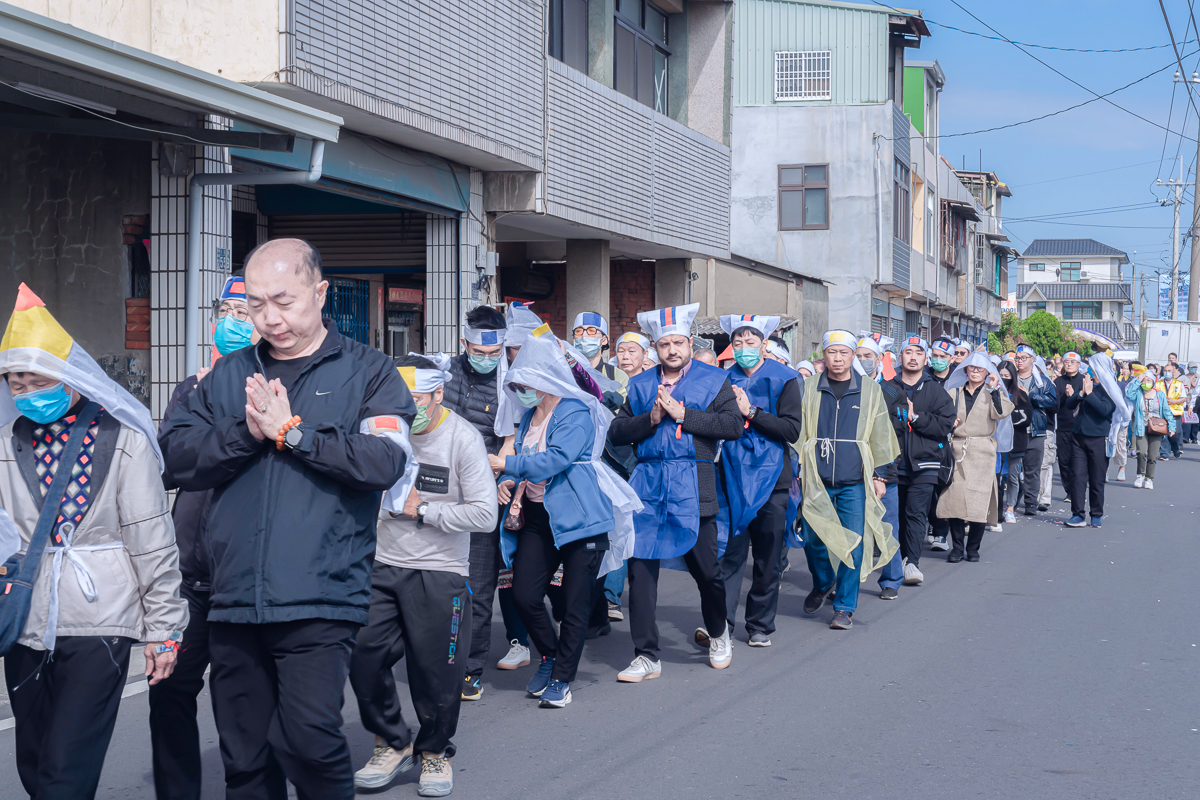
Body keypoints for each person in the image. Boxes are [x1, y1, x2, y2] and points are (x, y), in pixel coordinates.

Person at [158, 239, 416, 800]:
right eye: (256, 305)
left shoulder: (370, 371)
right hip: (231, 598)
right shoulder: (228, 377)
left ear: (320, 293)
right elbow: (174, 457)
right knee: (244, 757)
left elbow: (384, 461)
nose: (270, 318)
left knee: (307, 741)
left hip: (320, 595)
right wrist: (245, 432)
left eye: (284, 301)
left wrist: (291, 434)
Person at [0, 284, 188, 800]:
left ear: (73, 378)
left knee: (67, 766)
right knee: (34, 761)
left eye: (39, 380)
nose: (28, 392)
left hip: (102, 617)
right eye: (18, 383)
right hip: (25, 618)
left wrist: (165, 630)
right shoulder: (5, 442)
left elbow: (152, 538)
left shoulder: (122, 440)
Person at [350, 355, 496, 796]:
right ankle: (391, 742)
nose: (406, 413)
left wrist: (425, 510)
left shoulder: (462, 438)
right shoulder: (379, 429)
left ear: (438, 395)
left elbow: (485, 514)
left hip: (439, 571)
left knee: (437, 672)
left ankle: (433, 753)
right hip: (381, 563)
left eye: (415, 403)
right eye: (398, 403)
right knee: (361, 657)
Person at [150, 275, 259, 800]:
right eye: (228, 309)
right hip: (188, 577)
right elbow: (170, 467)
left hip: (246, 582)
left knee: (241, 708)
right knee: (169, 694)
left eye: (246, 310)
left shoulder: (276, 390)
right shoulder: (190, 388)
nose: (235, 320)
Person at [494, 324, 638, 704]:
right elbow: (529, 460)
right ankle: (551, 654)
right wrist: (513, 483)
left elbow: (554, 460)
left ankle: (561, 678)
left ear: (545, 378)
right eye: (515, 383)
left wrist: (506, 465)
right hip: (539, 519)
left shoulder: (574, 410)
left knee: (574, 604)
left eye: (524, 382)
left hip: (581, 518)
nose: (519, 390)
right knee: (524, 594)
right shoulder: (529, 416)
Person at [609, 303, 744, 679]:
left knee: (706, 569)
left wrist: (686, 416)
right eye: (665, 344)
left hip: (694, 481)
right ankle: (647, 654)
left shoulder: (712, 380)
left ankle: (719, 632)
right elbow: (616, 433)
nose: (672, 350)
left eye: (679, 343)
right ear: (654, 347)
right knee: (641, 568)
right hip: (649, 483)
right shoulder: (638, 385)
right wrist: (649, 420)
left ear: (689, 343)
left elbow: (733, 426)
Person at [442, 305, 526, 701]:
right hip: (437, 492)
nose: (488, 359)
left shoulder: (510, 384)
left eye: (495, 353)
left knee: (476, 587)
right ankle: (435, 659)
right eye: (480, 351)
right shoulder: (442, 372)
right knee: (435, 585)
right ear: (465, 343)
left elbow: (511, 442)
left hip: (482, 495)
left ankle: (470, 669)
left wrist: (500, 480)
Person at [798, 331, 898, 630]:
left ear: (853, 356)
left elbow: (881, 432)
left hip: (854, 479)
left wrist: (881, 474)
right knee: (813, 540)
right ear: (823, 356)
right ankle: (824, 581)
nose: (838, 358)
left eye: (844, 353)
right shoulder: (808, 387)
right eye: (832, 352)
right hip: (816, 478)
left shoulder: (868, 390)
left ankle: (844, 607)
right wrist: (798, 466)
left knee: (854, 544)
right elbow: (799, 428)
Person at [714, 315, 802, 647]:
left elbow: (791, 430)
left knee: (767, 556)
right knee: (729, 553)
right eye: (737, 343)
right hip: (731, 478)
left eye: (750, 343)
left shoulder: (786, 378)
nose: (743, 349)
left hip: (772, 480)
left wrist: (751, 412)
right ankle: (720, 623)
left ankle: (760, 624)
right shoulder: (721, 379)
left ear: (764, 345)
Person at [885, 337, 956, 585]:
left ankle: (911, 563)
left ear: (926, 359)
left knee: (916, 514)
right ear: (899, 357)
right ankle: (896, 560)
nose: (913, 357)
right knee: (895, 516)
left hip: (924, 464)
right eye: (908, 352)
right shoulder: (888, 388)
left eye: (918, 353)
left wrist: (916, 417)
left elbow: (944, 426)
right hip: (893, 464)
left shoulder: (937, 392)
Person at [937, 352, 1014, 562]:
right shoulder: (954, 392)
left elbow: (1002, 412)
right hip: (958, 448)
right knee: (955, 500)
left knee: (978, 501)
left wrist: (995, 389)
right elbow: (942, 414)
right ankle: (956, 547)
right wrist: (949, 424)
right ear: (965, 370)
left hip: (982, 450)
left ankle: (973, 548)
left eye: (980, 369)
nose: (976, 372)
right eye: (972, 368)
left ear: (988, 372)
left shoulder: (992, 392)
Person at [1061, 354, 1121, 528]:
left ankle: (1096, 514)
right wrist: (1081, 393)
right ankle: (1078, 514)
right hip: (1078, 436)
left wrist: (1089, 393)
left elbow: (1104, 409)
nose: (1089, 371)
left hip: (1099, 438)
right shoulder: (1086, 384)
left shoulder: (1110, 388)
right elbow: (1070, 405)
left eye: (1092, 368)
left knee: (1096, 479)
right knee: (1077, 477)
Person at [1011, 344, 1057, 516]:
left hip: (1035, 430)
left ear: (1032, 359)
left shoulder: (1042, 381)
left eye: (1023, 358)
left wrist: (1031, 396)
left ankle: (1031, 502)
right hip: (1015, 431)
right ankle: (1012, 501)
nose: (1020, 361)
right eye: (1017, 358)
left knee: (1032, 470)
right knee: (1013, 470)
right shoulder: (1010, 378)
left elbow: (1053, 403)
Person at [1126, 371, 1173, 490]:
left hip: (1157, 428)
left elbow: (1167, 411)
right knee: (1142, 452)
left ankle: (1149, 478)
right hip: (1142, 427)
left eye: (1148, 380)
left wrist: (1172, 427)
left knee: (1152, 456)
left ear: (1153, 382)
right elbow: (1128, 394)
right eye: (1144, 380)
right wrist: (1137, 381)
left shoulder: (1160, 395)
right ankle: (1140, 475)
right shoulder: (1138, 393)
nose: (1146, 383)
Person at [998, 359, 1030, 525]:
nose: (1004, 378)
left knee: (1012, 476)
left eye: (1007, 375)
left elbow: (1026, 418)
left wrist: (1008, 419)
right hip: (995, 443)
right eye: (1001, 375)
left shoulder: (1020, 394)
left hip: (1015, 443)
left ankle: (1010, 508)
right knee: (996, 478)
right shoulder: (992, 393)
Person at [1053, 352, 1084, 507]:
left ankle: (1077, 491)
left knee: (1077, 461)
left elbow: (1086, 401)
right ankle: (1069, 491)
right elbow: (1055, 404)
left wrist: (1074, 396)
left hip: (1079, 427)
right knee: (1064, 461)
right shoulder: (1058, 381)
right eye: (1066, 362)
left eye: (1073, 362)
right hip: (1063, 426)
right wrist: (1066, 396)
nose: (1069, 364)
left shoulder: (1084, 380)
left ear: (1079, 365)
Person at [1161, 362, 1186, 459]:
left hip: (1175, 412)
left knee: (1176, 433)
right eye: (1165, 371)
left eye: (1169, 371)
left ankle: (1175, 448)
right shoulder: (1158, 383)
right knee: (1164, 433)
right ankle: (1164, 454)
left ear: (1173, 372)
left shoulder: (1179, 384)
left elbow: (1184, 398)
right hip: (1162, 413)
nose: (1167, 372)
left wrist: (1173, 401)